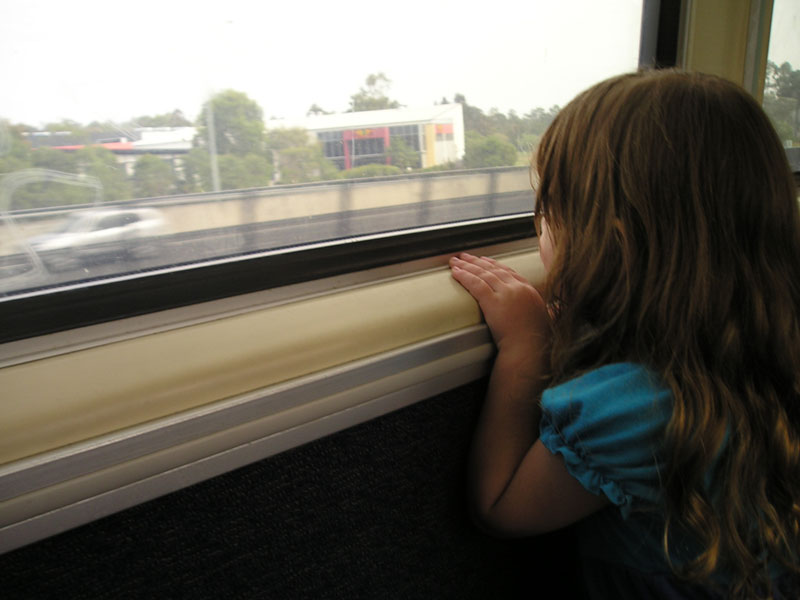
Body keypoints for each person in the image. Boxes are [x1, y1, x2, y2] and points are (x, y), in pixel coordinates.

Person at [449, 70, 800, 599]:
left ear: (608, 242)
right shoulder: (771, 353)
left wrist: (527, 345)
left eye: (547, 213)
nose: (539, 231)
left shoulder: (637, 407)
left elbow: (502, 508)